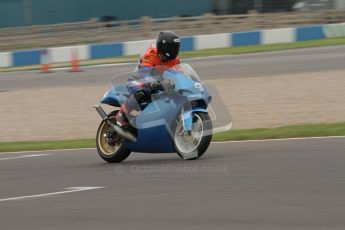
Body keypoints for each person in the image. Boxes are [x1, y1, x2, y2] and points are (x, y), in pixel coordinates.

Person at [116, 31, 181, 127]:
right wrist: (153, 83)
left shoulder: (175, 60)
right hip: (138, 81)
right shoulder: (151, 55)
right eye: (172, 47)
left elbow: (179, 74)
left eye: (176, 47)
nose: (174, 50)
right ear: (163, 46)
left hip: (161, 85)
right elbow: (144, 72)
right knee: (142, 93)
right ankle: (122, 113)